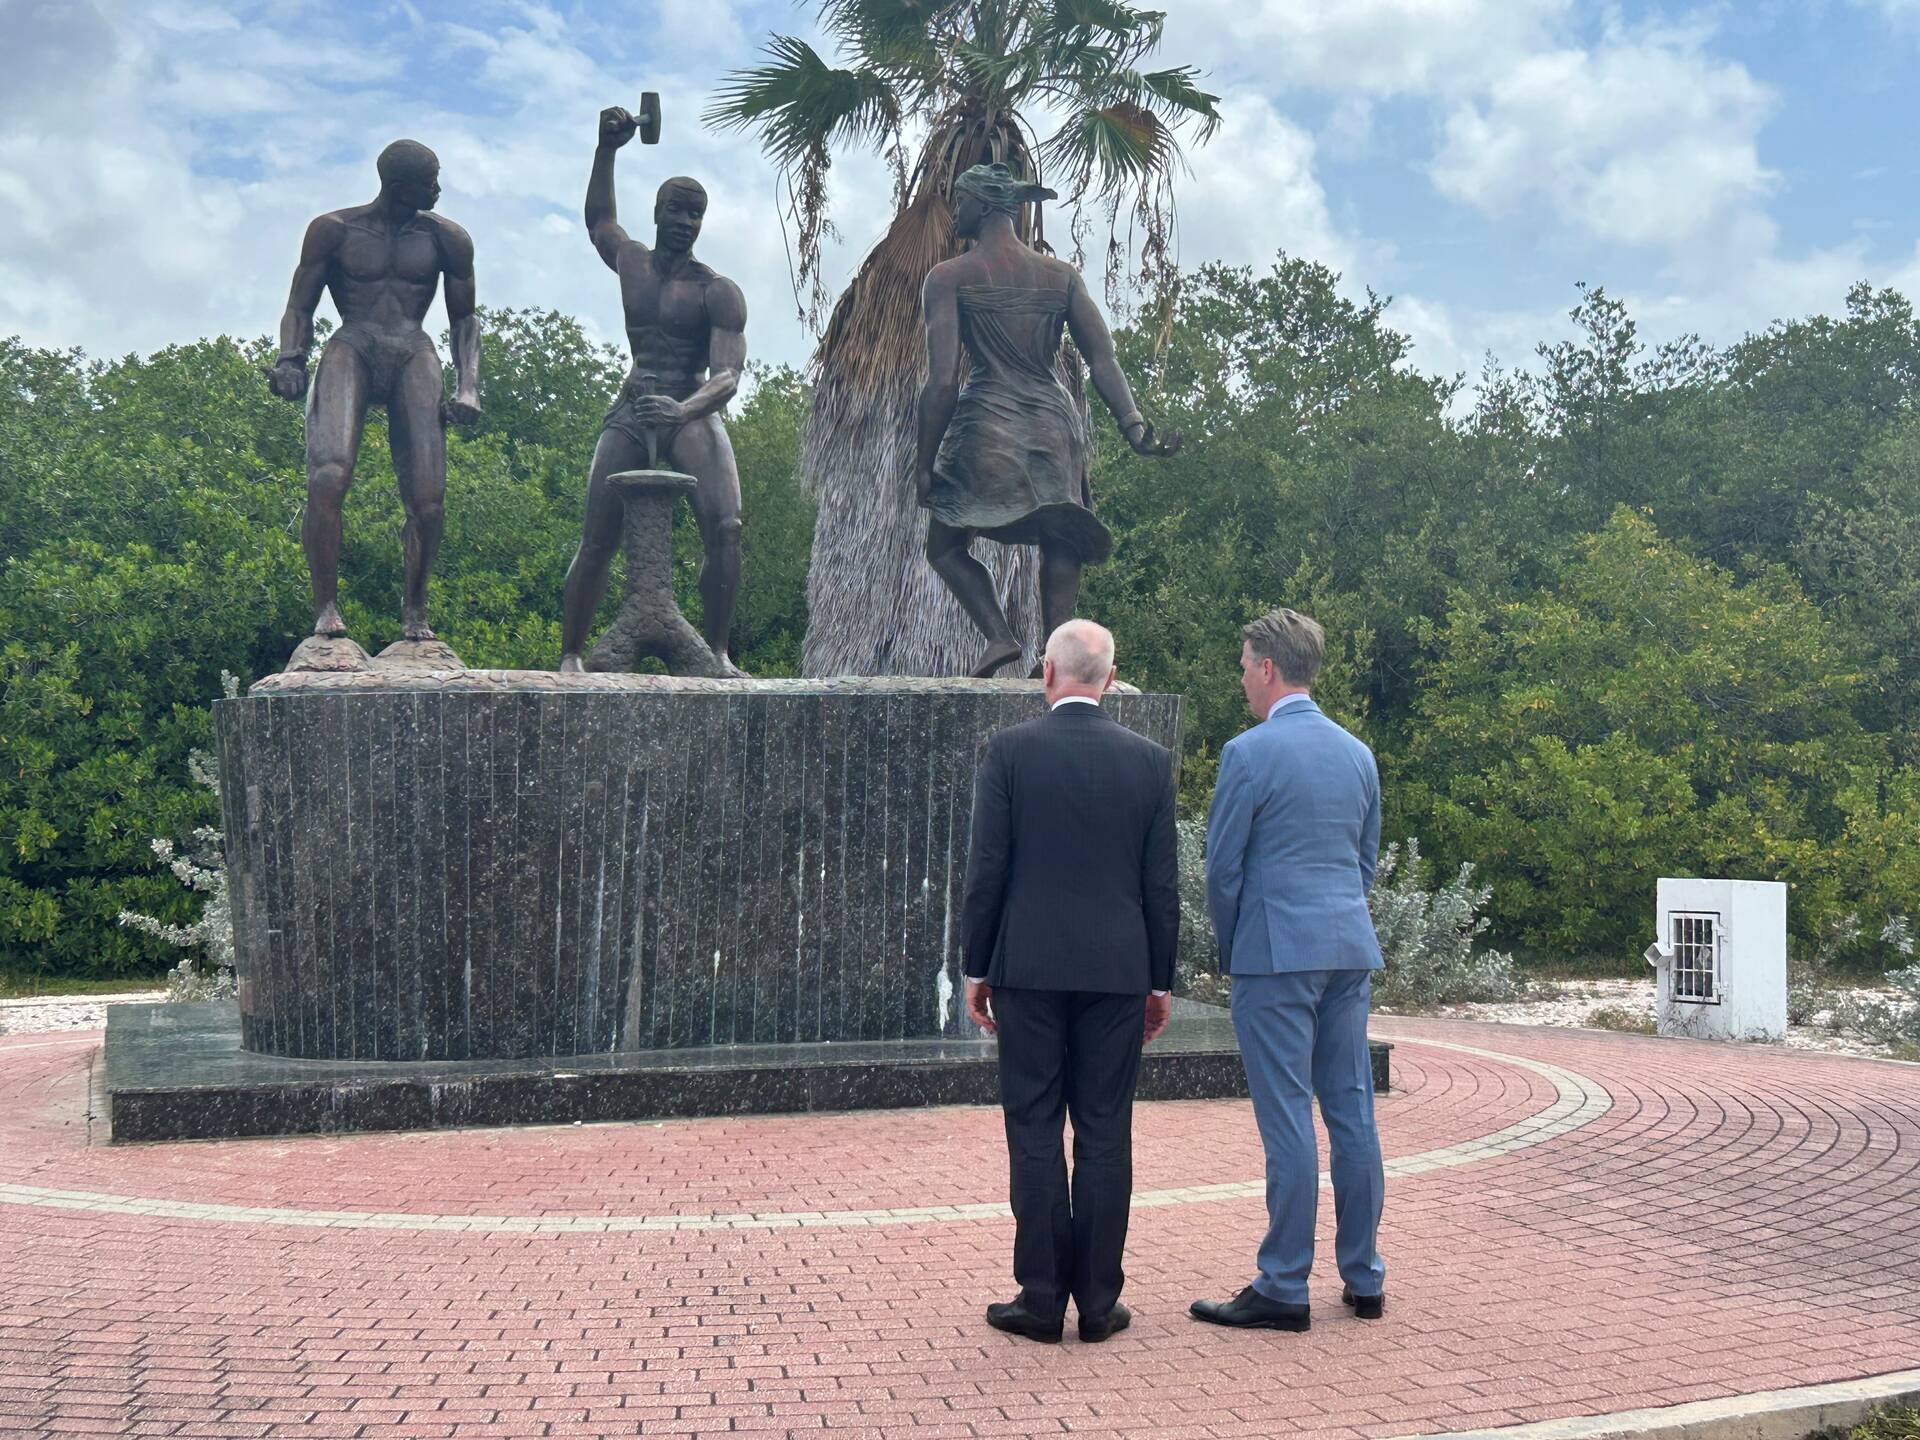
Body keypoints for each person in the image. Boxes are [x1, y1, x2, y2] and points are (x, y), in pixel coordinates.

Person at [961, 619, 1180, 1343]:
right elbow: (1161, 886)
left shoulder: (1011, 752)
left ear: (1047, 673)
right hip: (1117, 974)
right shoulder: (1149, 762)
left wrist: (976, 966)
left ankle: (1041, 1295)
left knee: (1033, 1126)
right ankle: (1097, 1301)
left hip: (1027, 969)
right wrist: (1159, 982)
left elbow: (987, 871)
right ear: (1110, 680)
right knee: (1105, 1132)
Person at [1189, 607, 1388, 1331]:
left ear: (1268, 668)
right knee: (1352, 1111)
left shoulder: (1248, 754)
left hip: (1276, 954)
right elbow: (1363, 862)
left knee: (1287, 1119)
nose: (1242, 681)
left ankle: (1283, 1285)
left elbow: (1223, 870)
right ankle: (1364, 1276)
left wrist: (1239, 945)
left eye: (1245, 667)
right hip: (1347, 949)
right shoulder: (1358, 754)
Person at [915, 162, 1180, 679]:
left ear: (986, 205)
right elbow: (1104, 360)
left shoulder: (948, 278)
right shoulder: (1061, 278)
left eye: (961, 201)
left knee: (945, 544)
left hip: (988, 418)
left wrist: (924, 463)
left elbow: (943, 380)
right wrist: (1133, 426)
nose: (954, 213)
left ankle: (998, 635)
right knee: (1061, 534)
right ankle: (1055, 657)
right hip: (1054, 424)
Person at [559, 104, 749, 677]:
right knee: (597, 537)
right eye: (677, 210)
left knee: (727, 527)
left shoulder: (716, 290)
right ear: (659, 212)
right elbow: (598, 220)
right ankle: (570, 653)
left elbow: (728, 375)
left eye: (696, 214)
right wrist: (607, 149)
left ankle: (716, 651)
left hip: (690, 407)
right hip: (635, 404)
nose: (686, 222)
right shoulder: (633, 263)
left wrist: (684, 408)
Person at [266, 139, 481, 645]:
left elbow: (465, 317)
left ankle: (415, 611)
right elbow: (300, 305)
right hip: (354, 343)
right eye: (429, 182)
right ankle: (326, 610)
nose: (438, 189)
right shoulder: (334, 230)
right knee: (328, 475)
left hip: (412, 348)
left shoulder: (448, 239)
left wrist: (469, 384)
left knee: (429, 499)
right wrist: (290, 359)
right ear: (399, 184)